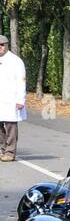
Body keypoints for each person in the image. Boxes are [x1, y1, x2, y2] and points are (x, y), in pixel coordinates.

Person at [0, 34, 26, 163]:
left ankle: (10, 152)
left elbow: (21, 81)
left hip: (11, 100)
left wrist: (21, 100)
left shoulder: (15, 61)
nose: (0, 47)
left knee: (10, 126)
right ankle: (3, 148)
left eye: (2, 45)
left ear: (6, 45)